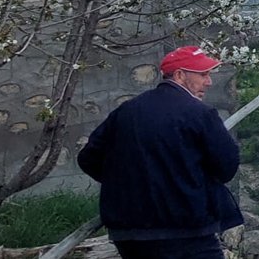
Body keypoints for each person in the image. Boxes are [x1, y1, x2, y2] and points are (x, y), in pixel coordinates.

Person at [77, 46, 243, 259]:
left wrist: (128, 184)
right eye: (203, 74)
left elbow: (88, 159)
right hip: (185, 231)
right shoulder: (199, 113)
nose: (209, 82)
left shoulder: (126, 111)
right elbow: (227, 166)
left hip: (130, 234)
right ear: (180, 75)